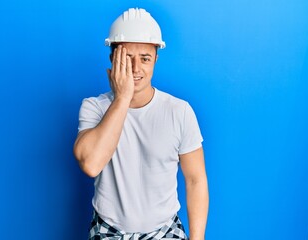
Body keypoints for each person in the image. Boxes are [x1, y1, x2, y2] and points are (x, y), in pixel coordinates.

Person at [74, 8, 209, 240]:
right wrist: (123, 98)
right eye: (127, 58)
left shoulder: (180, 111)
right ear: (112, 59)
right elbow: (91, 164)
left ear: (156, 58)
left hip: (165, 230)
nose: (136, 68)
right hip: (110, 230)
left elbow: (195, 180)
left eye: (144, 58)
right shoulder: (93, 107)